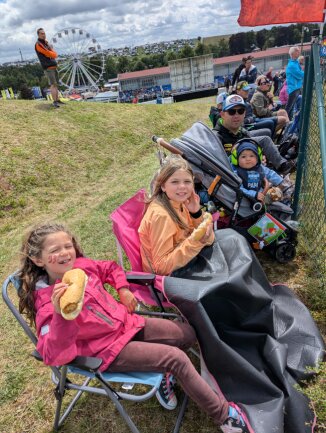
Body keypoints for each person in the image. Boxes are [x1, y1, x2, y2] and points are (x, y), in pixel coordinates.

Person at [17, 222, 251, 433]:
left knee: (187, 333)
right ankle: (225, 417)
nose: (65, 253)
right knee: (176, 358)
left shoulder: (81, 267)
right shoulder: (48, 305)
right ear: (39, 260)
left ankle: (165, 378)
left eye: (67, 245)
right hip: (105, 350)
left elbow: (109, 267)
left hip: (127, 324)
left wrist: (123, 289)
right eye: (54, 250)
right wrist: (60, 316)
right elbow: (53, 355)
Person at [139, 156, 214, 276]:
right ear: (163, 186)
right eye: (175, 182)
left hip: (184, 260)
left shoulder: (179, 202)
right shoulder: (161, 216)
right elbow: (161, 267)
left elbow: (202, 236)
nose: (182, 187)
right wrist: (195, 241)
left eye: (187, 181)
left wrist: (196, 213)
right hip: (170, 277)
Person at [212, 94, 296, 175]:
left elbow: (250, 142)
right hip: (239, 174)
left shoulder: (240, 130)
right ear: (222, 114)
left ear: (244, 113)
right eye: (231, 112)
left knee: (265, 138)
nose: (236, 115)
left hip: (245, 156)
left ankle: (282, 165)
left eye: (240, 111)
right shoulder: (216, 138)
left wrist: (260, 155)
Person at [35, 28, 62, 109]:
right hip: (48, 67)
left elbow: (52, 52)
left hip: (53, 66)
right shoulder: (38, 44)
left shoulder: (45, 43)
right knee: (53, 85)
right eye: (42, 33)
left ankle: (57, 100)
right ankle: (55, 101)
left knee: (56, 84)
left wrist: (52, 53)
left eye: (44, 33)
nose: (44, 35)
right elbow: (49, 53)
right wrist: (52, 53)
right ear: (38, 35)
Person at [285, 46, 304, 120]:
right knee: (289, 107)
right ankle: (286, 121)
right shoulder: (292, 65)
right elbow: (299, 74)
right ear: (293, 53)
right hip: (294, 88)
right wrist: (308, 73)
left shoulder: (295, 63)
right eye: (297, 51)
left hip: (296, 87)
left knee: (292, 107)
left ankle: (289, 121)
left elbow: (300, 74)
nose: (299, 52)